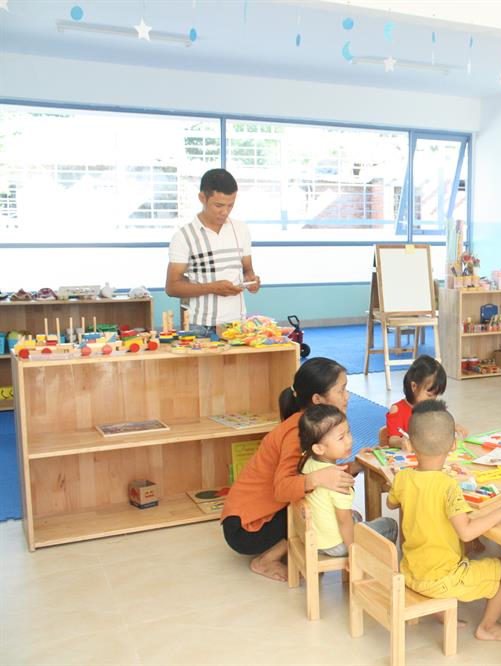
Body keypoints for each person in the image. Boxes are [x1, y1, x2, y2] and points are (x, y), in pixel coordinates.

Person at [387, 400, 501, 642]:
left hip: (410, 571)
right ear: (453, 445)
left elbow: (391, 503)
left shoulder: (403, 478)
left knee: (457, 547)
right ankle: (487, 627)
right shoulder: (448, 486)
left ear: (410, 444)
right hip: (440, 580)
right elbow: (466, 532)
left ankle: (442, 610)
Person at [221, 358, 355, 582]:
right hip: (245, 529)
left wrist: (355, 466)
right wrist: (316, 479)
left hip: (257, 517)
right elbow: (283, 489)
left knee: (324, 502)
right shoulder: (296, 433)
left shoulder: (309, 425)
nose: (347, 396)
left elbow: (321, 469)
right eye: (341, 390)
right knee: (319, 508)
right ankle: (265, 561)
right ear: (317, 399)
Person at [165, 168, 260, 338]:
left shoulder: (241, 229)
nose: (225, 212)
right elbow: (172, 287)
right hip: (201, 327)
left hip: (237, 325)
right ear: (202, 198)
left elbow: (247, 270)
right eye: (219, 205)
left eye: (230, 205)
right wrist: (212, 288)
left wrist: (252, 281)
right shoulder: (184, 236)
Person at [298, 404, 398, 558]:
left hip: (313, 538)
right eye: (341, 438)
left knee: (355, 516)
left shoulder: (308, 463)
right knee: (390, 525)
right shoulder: (339, 482)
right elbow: (344, 522)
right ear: (319, 448)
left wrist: (357, 462)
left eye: (348, 432)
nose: (349, 440)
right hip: (336, 545)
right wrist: (353, 552)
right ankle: (371, 565)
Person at [386, 355, 448, 449]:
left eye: (436, 395)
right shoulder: (397, 410)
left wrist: (451, 427)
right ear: (414, 386)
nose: (433, 399)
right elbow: (393, 439)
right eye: (429, 395)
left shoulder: (432, 408)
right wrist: (401, 442)